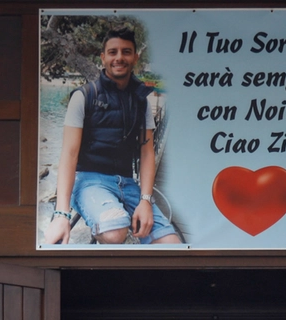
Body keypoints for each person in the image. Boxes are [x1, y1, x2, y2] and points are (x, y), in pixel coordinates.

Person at [43, 27, 183, 246]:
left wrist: (145, 201)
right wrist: (62, 214)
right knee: (114, 230)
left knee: (171, 244)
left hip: (128, 184)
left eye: (126, 52)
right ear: (103, 57)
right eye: (113, 52)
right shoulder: (84, 97)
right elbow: (69, 156)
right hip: (89, 181)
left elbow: (147, 153)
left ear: (135, 57)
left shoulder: (141, 101)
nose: (119, 57)